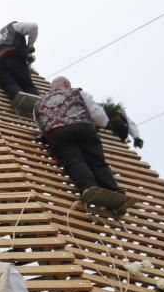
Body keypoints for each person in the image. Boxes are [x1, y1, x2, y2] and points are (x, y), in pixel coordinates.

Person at [34, 77, 126, 206]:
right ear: (66, 84)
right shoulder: (77, 92)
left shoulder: (39, 102)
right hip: (82, 127)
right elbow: (96, 113)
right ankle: (113, 190)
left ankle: (88, 187)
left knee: (74, 161)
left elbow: (40, 124)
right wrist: (105, 124)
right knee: (96, 160)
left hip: (57, 133)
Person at [0, 21, 39, 112]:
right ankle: (38, 107)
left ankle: (21, 103)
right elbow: (33, 26)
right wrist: (30, 46)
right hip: (10, 54)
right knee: (27, 84)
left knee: (9, 84)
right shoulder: (14, 26)